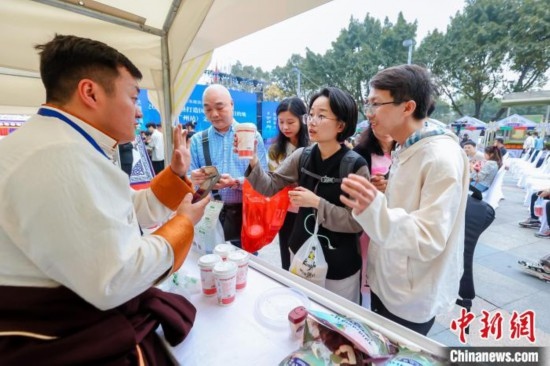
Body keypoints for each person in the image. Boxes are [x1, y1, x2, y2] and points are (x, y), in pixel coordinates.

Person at [0, 34, 210, 364]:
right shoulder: (59, 155)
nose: (139, 112)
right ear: (90, 92)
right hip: (60, 334)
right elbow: (116, 279)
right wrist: (183, 225)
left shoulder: (66, 143)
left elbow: (128, 210)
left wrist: (174, 173)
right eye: (133, 96)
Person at [340, 64, 469, 335]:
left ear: (407, 107)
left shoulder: (440, 156)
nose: (369, 112)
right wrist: (381, 196)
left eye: (376, 103)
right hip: (387, 280)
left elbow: (429, 236)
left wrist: (373, 207)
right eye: (368, 103)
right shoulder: (409, 146)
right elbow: (408, 205)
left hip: (409, 294)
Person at [244, 87, 369, 303]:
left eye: (321, 116)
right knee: (301, 307)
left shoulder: (355, 165)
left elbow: (356, 222)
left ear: (341, 125)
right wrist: (253, 160)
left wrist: (317, 202)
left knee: (335, 321)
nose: (312, 121)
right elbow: (269, 186)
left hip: (339, 263)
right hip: (301, 253)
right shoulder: (303, 156)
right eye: (311, 114)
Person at [189, 84, 268, 247]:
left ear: (231, 104)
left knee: (245, 265)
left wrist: (235, 182)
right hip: (209, 216)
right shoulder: (198, 140)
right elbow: (191, 186)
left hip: (245, 215)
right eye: (208, 109)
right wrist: (194, 179)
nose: (214, 114)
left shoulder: (251, 136)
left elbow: (264, 182)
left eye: (219, 107)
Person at [352, 125, 396, 306]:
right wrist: (369, 185)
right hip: (368, 220)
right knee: (366, 261)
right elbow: (351, 184)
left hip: (393, 216)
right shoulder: (361, 152)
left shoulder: (405, 152)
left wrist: (390, 185)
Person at [267, 97, 309, 270]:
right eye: (281, 122)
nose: (285, 127)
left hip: (308, 210)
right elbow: (273, 180)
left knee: (306, 257)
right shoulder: (275, 150)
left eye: (290, 122)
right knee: (287, 253)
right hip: (285, 211)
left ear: (302, 120)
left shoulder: (313, 147)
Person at [118, 107, 143, 177]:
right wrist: (131, 145)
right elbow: (120, 147)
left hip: (128, 159)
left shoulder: (130, 134)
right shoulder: (121, 135)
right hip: (123, 160)